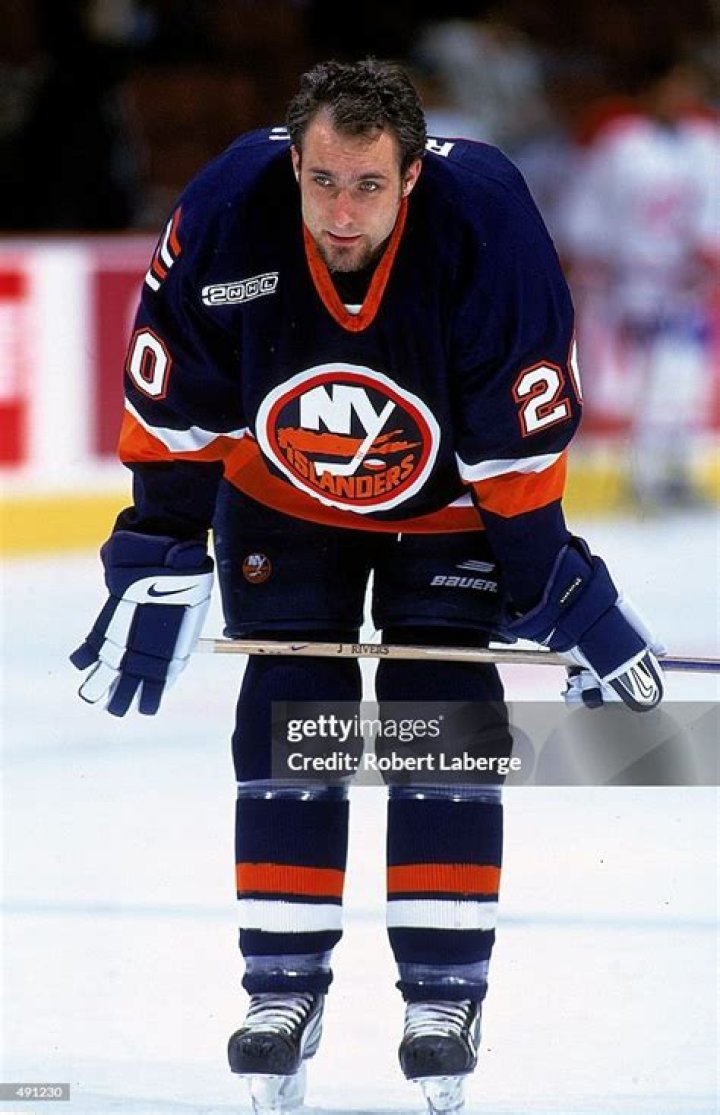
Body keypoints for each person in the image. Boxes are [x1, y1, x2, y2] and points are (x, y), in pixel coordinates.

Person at [70, 58, 664, 1114]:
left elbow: (516, 459)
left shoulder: (489, 227)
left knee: (441, 711)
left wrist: (562, 597)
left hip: (448, 506)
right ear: (293, 164)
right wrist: (157, 548)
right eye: (324, 181)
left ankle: (443, 998)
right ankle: (281, 990)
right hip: (280, 494)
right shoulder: (226, 210)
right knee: (294, 712)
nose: (343, 213)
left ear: (413, 174)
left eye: (370, 185)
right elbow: (174, 402)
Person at [559, 52, 720, 509]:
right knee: (633, 383)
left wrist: (706, 254)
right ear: (651, 90)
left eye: (688, 87)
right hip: (627, 282)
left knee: (681, 375)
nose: (680, 96)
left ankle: (678, 470)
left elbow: (712, 211)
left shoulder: (706, 142)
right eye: (673, 86)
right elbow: (587, 211)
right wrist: (594, 265)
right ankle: (642, 474)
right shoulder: (621, 142)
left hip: (684, 283)